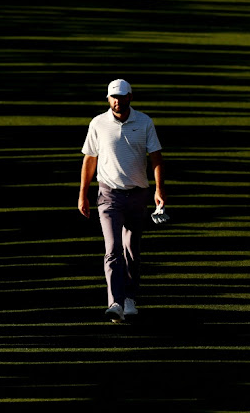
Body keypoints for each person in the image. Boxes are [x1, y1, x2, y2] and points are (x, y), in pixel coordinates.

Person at [78, 79, 165, 323]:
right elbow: (89, 160)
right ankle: (114, 302)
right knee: (113, 249)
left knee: (131, 251)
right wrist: (83, 193)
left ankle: (129, 298)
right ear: (108, 99)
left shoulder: (145, 122)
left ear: (130, 97)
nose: (117, 100)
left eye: (121, 96)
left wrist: (159, 189)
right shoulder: (98, 123)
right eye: (113, 97)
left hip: (138, 195)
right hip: (109, 196)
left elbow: (156, 157)